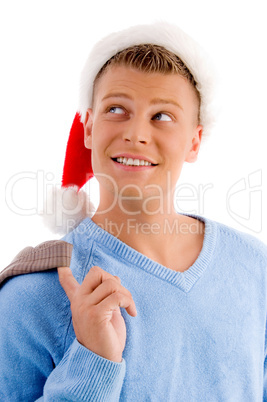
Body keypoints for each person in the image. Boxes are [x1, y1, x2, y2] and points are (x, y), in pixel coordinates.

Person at [1, 21, 267, 401]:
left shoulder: (254, 267)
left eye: (162, 116)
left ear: (194, 141)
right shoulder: (33, 295)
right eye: (117, 109)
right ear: (88, 128)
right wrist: (94, 362)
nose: (136, 134)